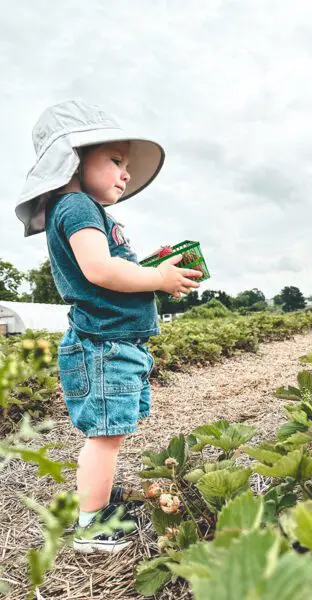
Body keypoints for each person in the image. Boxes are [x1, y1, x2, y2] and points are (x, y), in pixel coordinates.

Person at [15, 100, 203, 553]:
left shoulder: (85, 210)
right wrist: (158, 278)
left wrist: (152, 268)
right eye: (116, 160)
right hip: (102, 343)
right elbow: (100, 270)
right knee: (104, 438)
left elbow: (114, 268)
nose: (124, 173)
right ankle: (91, 525)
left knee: (110, 432)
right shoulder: (76, 206)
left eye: (126, 165)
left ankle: (98, 502)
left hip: (116, 341)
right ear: (75, 160)